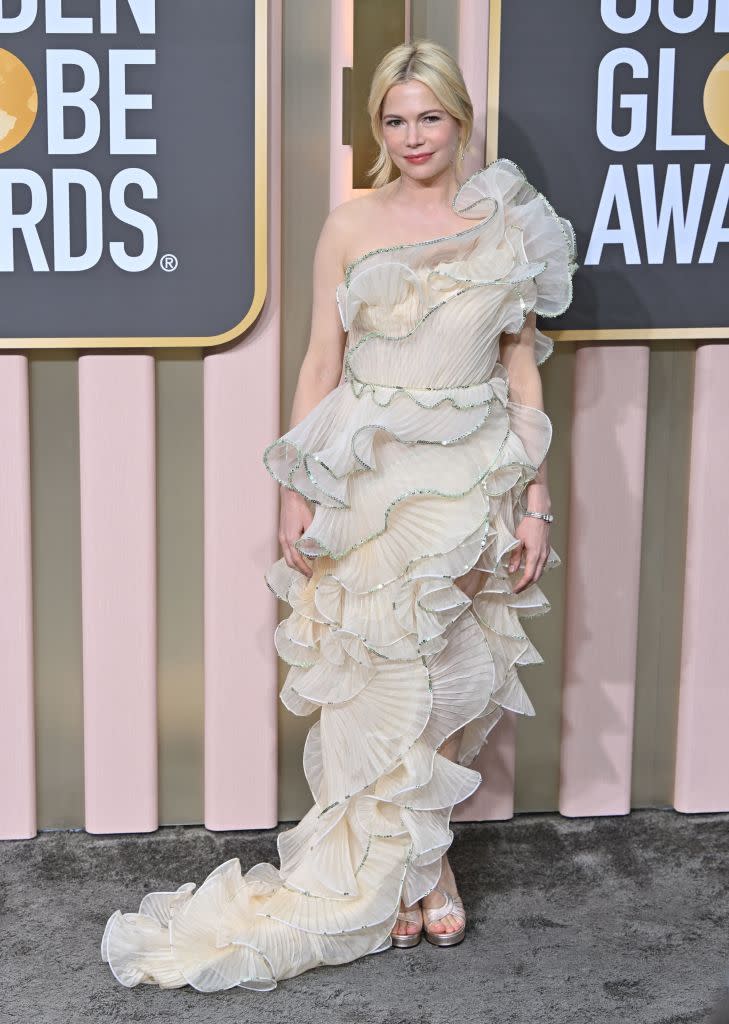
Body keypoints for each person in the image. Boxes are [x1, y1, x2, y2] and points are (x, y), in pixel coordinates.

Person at [100, 38, 578, 992]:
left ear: (459, 120)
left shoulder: (507, 224)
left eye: (429, 117)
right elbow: (320, 361)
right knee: (380, 682)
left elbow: (522, 367)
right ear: (379, 130)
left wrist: (537, 501)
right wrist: (292, 486)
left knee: (453, 677)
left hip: (475, 473)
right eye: (394, 120)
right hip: (368, 478)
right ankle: (422, 866)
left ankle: (414, 855)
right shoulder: (350, 222)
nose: (412, 136)